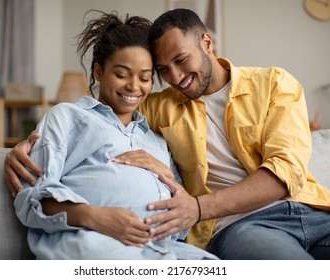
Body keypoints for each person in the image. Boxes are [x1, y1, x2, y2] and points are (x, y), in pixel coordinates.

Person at [5, 9, 330, 260]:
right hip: (242, 228)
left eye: (181, 60)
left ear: (207, 43)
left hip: (313, 210)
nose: (176, 77)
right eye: (163, 70)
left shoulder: (272, 83)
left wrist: (194, 205)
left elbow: (286, 172)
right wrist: (24, 146)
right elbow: (106, 116)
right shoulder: (159, 107)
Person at [12, 10, 217, 260]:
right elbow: (31, 197)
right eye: (121, 75)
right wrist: (96, 217)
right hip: (93, 242)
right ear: (98, 72)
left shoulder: (156, 139)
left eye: (145, 78)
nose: (134, 86)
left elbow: (183, 219)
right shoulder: (68, 117)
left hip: (160, 250)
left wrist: (164, 173)